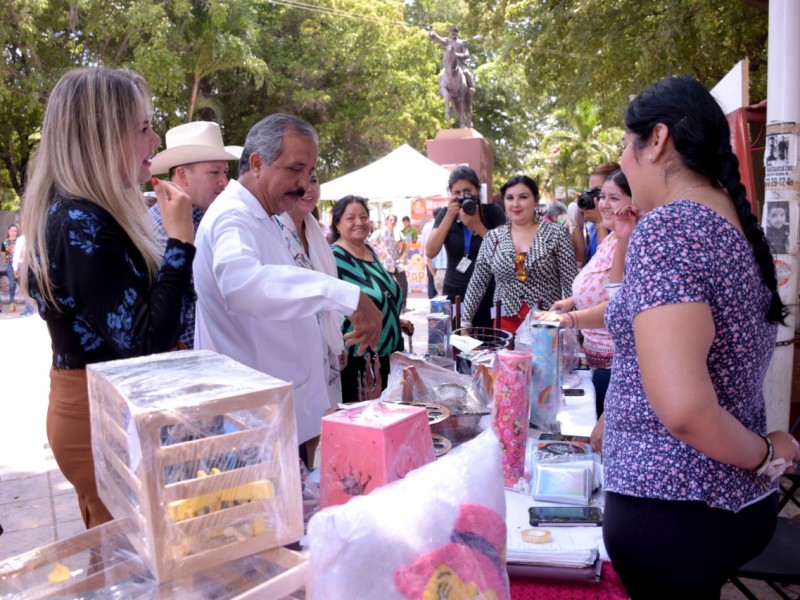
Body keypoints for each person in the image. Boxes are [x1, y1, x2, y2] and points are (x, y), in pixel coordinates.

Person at [602, 75, 800, 597]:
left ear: (659, 139)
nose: (623, 160)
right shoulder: (728, 222)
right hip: (718, 508)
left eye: (627, 144)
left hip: (672, 508)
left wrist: (765, 455)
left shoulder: (669, 229)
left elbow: (686, 409)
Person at [20, 67, 196, 529]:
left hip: (112, 408)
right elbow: (145, 344)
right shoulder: (78, 221)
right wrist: (179, 244)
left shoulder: (90, 213)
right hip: (101, 416)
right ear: (101, 137)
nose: (154, 140)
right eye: (142, 128)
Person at [192, 113, 382, 454]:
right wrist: (344, 295)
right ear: (256, 164)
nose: (304, 185)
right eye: (295, 170)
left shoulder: (266, 217)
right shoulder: (233, 217)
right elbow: (242, 285)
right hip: (251, 426)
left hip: (276, 416)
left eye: (309, 174)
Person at [539, 170, 633, 418]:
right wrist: (571, 303)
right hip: (598, 363)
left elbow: (622, 306)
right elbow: (605, 287)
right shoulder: (616, 237)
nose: (603, 204)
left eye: (614, 198)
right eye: (602, 197)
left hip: (617, 366)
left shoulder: (633, 239)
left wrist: (571, 319)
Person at [149, 121, 241, 349]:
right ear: (182, 174)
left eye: (225, 172)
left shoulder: (201, 217)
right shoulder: (163, 226)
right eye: (214, 172)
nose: (224, 181)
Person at [461, 175, 577, 332]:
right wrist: (465, 322)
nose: (515, 204)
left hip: (546, 322)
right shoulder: (493, 238)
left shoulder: (557, 234)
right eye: (509, 198)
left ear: (535, 200)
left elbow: (571, 283)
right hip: (504, 324)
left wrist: (574, 323)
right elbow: (477, 283)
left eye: (523, 197)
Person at [276, 173, 345, 408]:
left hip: (325, 347)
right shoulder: (274, 232)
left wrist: (336, 339)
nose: (308, 188)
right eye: (298, 181)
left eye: (313, 180)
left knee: (327, 425)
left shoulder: (315, 232)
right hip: (294, 352)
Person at [330, 196, 403, 402]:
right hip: (359, 362)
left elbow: (383, 295)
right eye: (350, 218)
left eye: (363, 217)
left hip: (389, 355)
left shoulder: (369, 250)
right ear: (337, 223)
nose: (359, 222)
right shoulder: (333, 256)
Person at [425, 165, 506, 328]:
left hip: (487, 292)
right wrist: (449, 216)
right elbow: (430, 251)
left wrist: (477, 226)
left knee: (487, 344)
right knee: (458, 344)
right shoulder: (445, 214)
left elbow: (505, 250)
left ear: (477, 190)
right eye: (457, 193)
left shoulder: (492, 212)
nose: (463, 196)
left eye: (468, 191)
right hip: (455, 293)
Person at [570, 162, 617, 267]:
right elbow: (580, 261)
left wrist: (600, 223)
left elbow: (604, 266)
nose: (591, 197)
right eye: (589, 191)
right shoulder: (592, 228)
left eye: (597, 192)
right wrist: (576, 222)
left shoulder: (620, 227)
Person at [370, 214, 409, 313]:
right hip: (386, 263)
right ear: (386, 221)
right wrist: (378, 253)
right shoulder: (380, 232)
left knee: (403, 283)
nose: (393, 221)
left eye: (394, 220)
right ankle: (389, 306)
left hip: (397, 262)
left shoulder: (397, 232)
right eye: (391, 219)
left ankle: (403, 306)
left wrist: (401, 252)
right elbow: (369, 243)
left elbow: (405, 243)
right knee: (386, 285)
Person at [428, 25, 475, 95]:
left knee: (466, 72)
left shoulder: (462, 43)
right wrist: (431, 32)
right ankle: (441, 89)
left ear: (457, 33)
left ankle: (471, 87)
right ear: (450, 33)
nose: (454, 34)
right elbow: (438, 39)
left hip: (460, 64)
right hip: (449, 66)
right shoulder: (447, 42)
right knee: (441, 75)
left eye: (455, 32)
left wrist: (458, 55)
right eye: (452, 32)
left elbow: (466, 54)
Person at [11, 222, 36, 316]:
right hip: (34, 264)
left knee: (24, 287)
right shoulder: (34, 237)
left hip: (24, 264)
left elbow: (17, 254)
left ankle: (29, 308)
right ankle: (32, 307)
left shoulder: (21, 239)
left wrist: (15, 267)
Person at [421, 211, 447, 298]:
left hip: (439, 270)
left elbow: (427, 255)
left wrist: (434, 275)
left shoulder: (429, 228)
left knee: (441, 299)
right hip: (443, 270)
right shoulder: (445, 232)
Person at [2, 224, 19, 312]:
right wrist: (8, 250)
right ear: (8, 231)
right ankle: (12, 303)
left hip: (20, 265)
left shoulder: (19, 241)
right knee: (12, 283)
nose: (13, 232)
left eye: (15, 231)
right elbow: (3, 255)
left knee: (24, 283)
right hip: (10, 265)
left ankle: (29, 304)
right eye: (11, 230)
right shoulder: (4, 242)